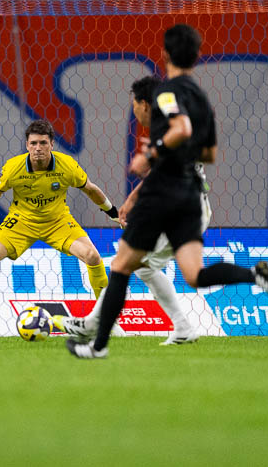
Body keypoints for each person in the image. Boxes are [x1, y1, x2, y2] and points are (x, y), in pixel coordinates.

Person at [66, 24, 268, 359]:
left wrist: (152, 153)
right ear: (197, 56)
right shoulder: (201, 99)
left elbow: (180, 127)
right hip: (189, 194)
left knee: (122, 266)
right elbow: (209, 153)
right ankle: (254, 276)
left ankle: (96, 344)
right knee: (194, 274)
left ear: (165, 54)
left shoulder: (166, 93)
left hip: (163, 195)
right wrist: (172, 154)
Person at [55, 76, 202, 345]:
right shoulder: (168, 128)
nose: (133, 111)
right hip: (178, 207)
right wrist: (132, 200)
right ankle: (182, 327)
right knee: (140, 266)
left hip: (182, 209)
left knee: (126, 262)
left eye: (134, 105)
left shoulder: (170, 131)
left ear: (144, 104)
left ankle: (91, 325)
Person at [0, 119, 123, 336]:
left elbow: (91, 189)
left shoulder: (67, 165)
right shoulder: (14, 167)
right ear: (27, 145)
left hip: (58, 222)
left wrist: (113, 212)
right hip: (20, 223)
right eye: (34, 143)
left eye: (43, 143)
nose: (38, 148)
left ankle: (106, 320)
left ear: (52, 144)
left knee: (93, 256)